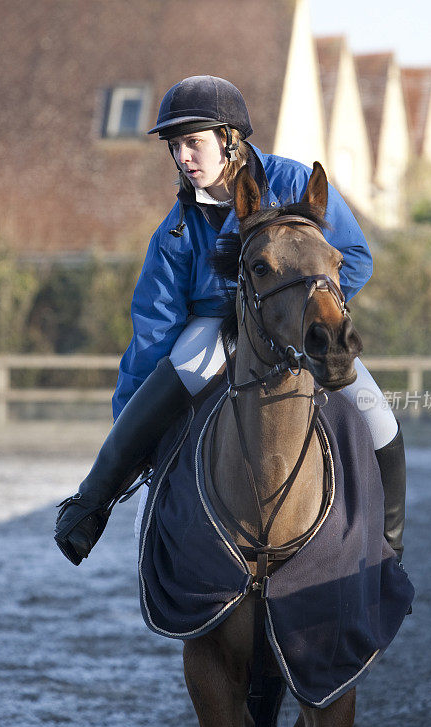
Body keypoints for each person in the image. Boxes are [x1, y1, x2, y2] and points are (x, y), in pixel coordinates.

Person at [54, 75, 406, 566]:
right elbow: (153, 331)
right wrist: (129, 419)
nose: (184, 158)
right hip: (217, 325)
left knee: (376, 414)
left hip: (296, 320)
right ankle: (90, 504)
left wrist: (301, 312)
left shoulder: (293, 181)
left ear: (229, 140)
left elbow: (355, 258)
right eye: (176, 147)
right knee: (182, 366)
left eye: (193, 143)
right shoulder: (176, 229)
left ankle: (390, 550)